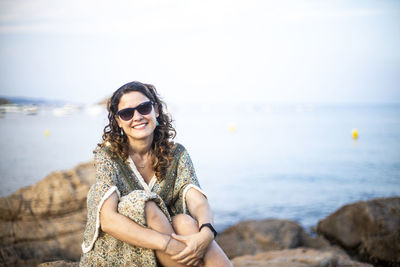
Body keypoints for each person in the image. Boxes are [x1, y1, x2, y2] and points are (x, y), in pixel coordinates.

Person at [79, 81, 232, 267]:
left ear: (156, 110)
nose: (137, 117)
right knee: (144, 203)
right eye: (127, 113)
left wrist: (206, 234)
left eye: (144, 108)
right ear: (118, 121)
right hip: (125, 248)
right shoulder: (108, 155)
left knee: (184, 221)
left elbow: (198, 200)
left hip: (168, 244)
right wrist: (167, 244)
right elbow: (108, 220)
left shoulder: (176, 153)